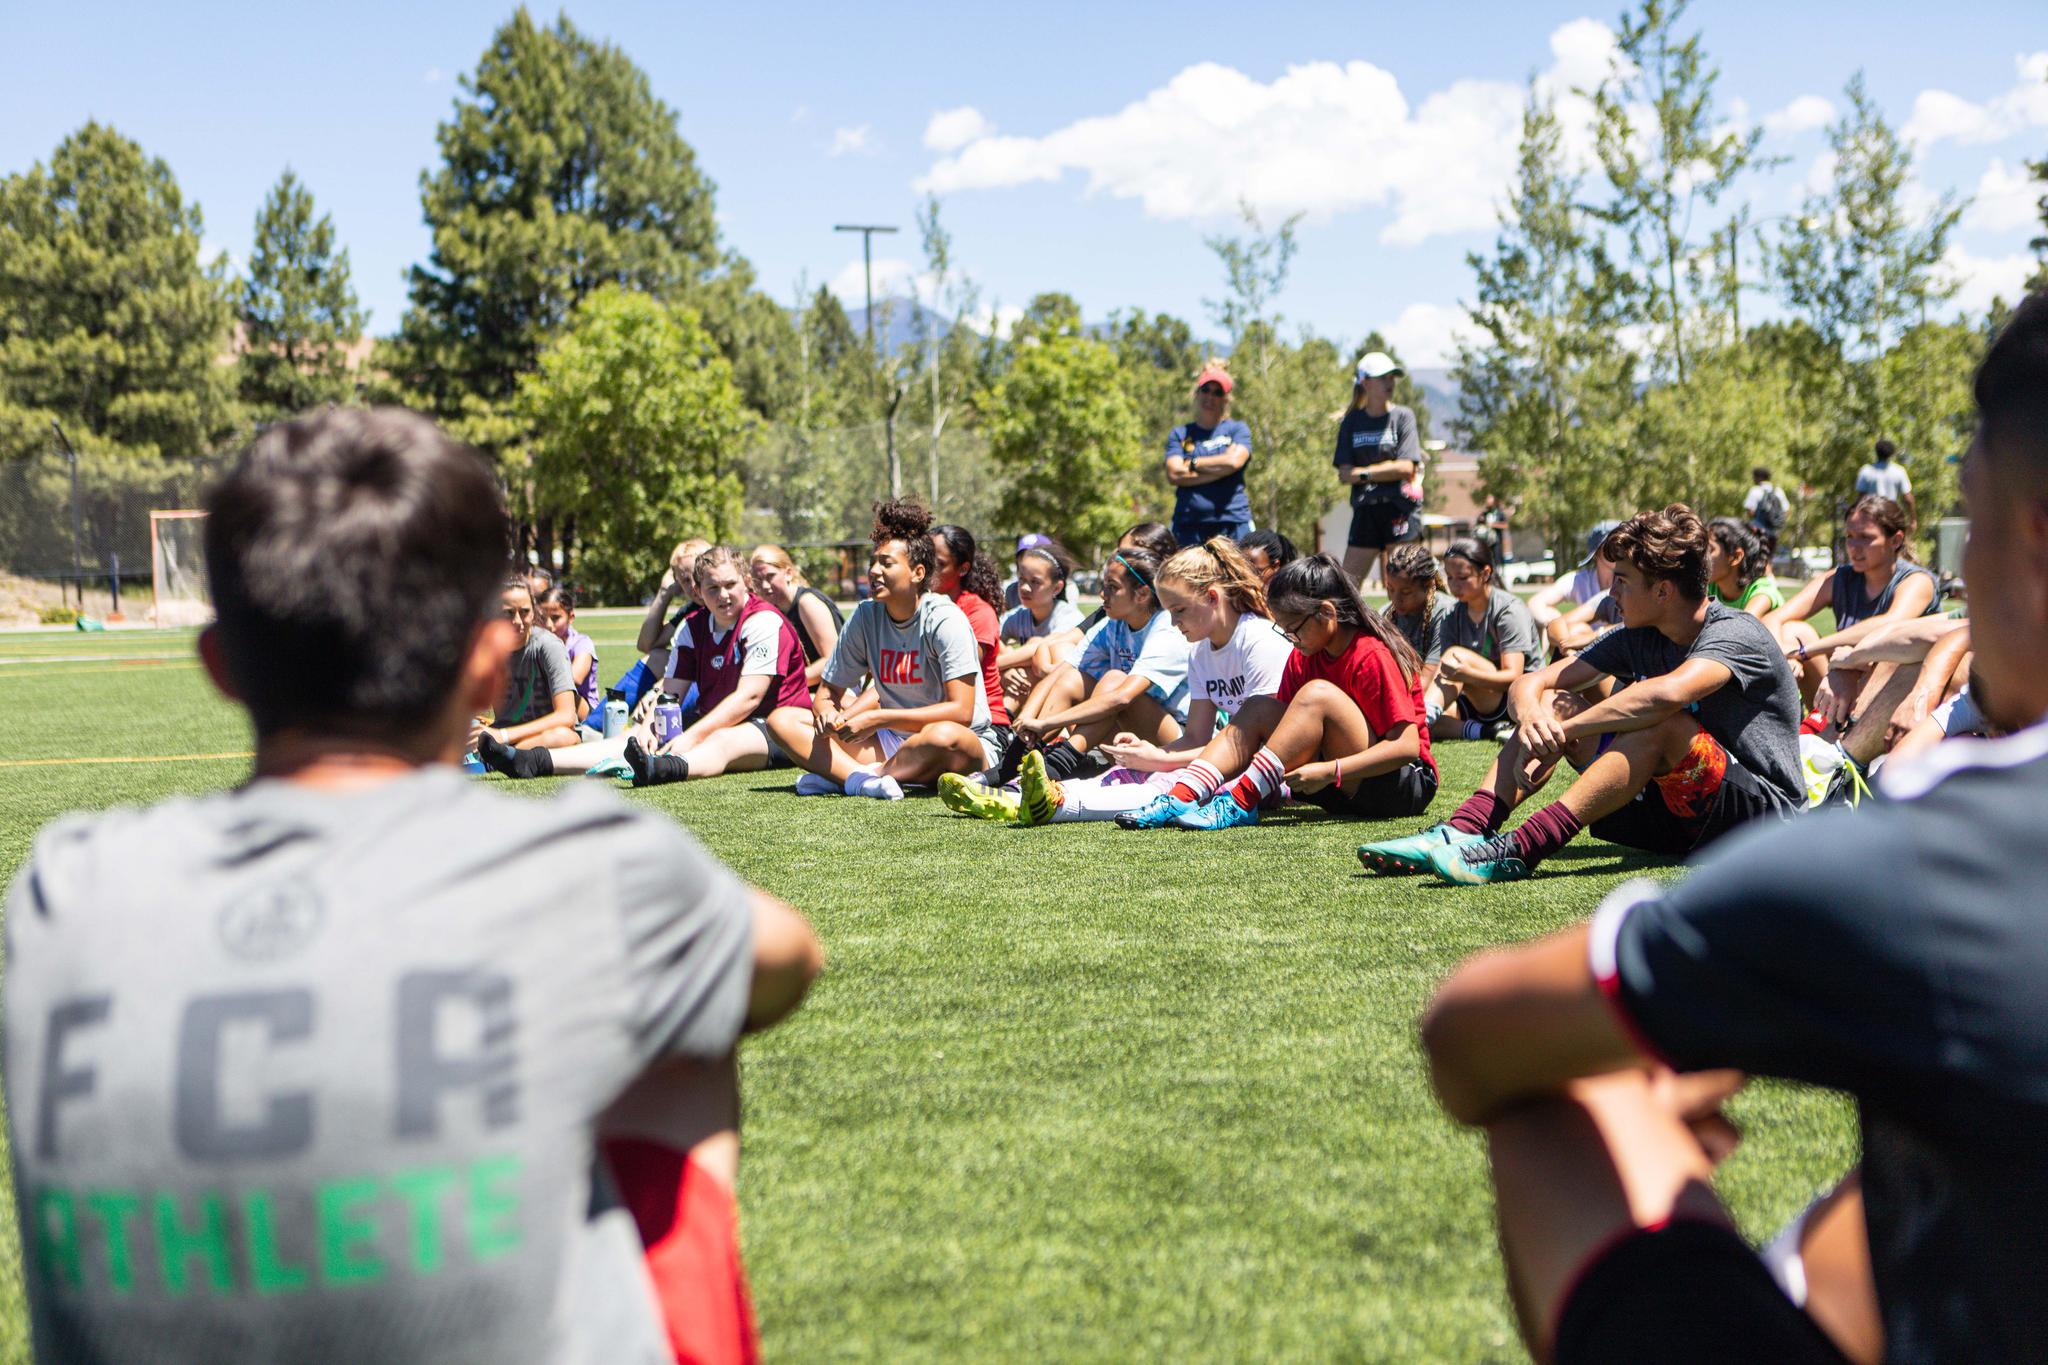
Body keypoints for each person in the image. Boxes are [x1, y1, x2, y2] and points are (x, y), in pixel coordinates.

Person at [2, 408, 824, 1363]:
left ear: (221, 669)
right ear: (487, 672)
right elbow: (787, 958)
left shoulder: (63, 893)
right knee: (683, 1039)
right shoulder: (594, 870)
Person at [1414, 291, 2048, 1365]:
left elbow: (1464, 1036)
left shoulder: (1929, 843)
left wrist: (1564, 707)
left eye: (1969, 523)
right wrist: (1538, 700)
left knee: (1561, 1101)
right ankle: (1477, 824)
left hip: (1753, 816)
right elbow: (1569, 673)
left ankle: (1504, 850)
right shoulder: (1631, 633)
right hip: (1685, 824)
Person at [1359, 504, 1804, 887]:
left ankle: (1521, 848)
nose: (1611, 593)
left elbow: (1665, 695)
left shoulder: (1736, 633)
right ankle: (1464, 829)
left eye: (1623, 580)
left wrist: (1565, 731)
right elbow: (1531, 682)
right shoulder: (1640, 634)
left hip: (1761, 825)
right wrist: (1537, 721)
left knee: (1659, 722)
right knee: (1556, 702)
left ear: (1664, 590)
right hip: (1676, 821)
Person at [943, 537, 1289, 826]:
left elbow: (1253, 747)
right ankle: (1025, 793)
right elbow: (1198, 738)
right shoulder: (1200, 650)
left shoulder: (1258, 641)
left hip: (1262, 776)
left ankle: (1052, 802)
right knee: (1136, 773)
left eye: (1179, 611)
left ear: (1212, 597)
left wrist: (1159, 758)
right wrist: (1152, 754)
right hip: (1212, 758)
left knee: (1162, 782)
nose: (1173, 621)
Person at [1138, 551, 1438, 829]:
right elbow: (1279, 731)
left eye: (1294, 628)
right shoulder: (1303, 654)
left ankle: (1238, 802)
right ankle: (1180, 796)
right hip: (1338, 787)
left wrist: (1330, 770)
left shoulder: (1370, 653)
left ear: (1327, 614)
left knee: (1317, 694)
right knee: (1258, 707)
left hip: (1401, 786)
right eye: (1283, 629)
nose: (1290, 638)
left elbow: (1406, 747)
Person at [479, 547, 812, 788]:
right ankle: (532, 761)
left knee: (722, 740)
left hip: (778, 729)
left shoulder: (764, 621)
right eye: (713, 588)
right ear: (697, 591)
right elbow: (670, 696)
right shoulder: (693, 628)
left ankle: (663, 769)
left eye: (730, 585)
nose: (723, 595)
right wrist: (649, 728)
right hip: (723, 724)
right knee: (633, 738)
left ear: (746, 584)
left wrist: (691, 735)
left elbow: (749, 699)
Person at [770, 497, 1000, 800]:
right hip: (892, 743)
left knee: (943, 736)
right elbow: (828, 693)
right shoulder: (866, 616)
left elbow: (961, 712)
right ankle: (863, 780)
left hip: (962, 744)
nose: (874, 571)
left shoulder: (945, 618)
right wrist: (826, 714)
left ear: (918, 573)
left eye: (887, 563)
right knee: (782, 720)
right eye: (872, 563)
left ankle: (856, 776)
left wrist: (879, 719)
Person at [1004, 544, 1192, 784]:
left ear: (1142, 594)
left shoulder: (1166, 629)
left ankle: (1058, 764)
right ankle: (1015, 762)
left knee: (1114, 681)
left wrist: (1046, 723)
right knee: (1072, 679)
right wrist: (1027, 721)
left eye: (1112, 587)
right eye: (1104, 586)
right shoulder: (1113, 623)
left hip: (1176, 743)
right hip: (1128, 738)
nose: (1103, 594)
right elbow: (1061, 674)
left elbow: (1122, 698)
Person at [1766, 495, 1939, 719]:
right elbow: (1774, 618)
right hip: (1845, 679)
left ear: (1895, 540)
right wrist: (1786, 655)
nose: (1854, 547)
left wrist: (1807, 651)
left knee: (1883, 660)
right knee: (1793, 631)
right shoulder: (1840, 578)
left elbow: (1888, 626)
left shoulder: (1917, 581)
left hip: (1896, 690)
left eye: (1866, 538)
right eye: (1850, 537)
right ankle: (1816, 723)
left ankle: (1831, 730)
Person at [1435, 536, 1544, 741]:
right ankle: (1488, 731)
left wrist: (1466, 675)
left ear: (1485, 573)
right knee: (1434, 721)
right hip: (1474, 698)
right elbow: (1445, 673)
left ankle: (1425, 717)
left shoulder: (1508, 609)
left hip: (1514, 700)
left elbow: (1513, 677)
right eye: (1449, 578)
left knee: (1455, 655)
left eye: (1462, 577)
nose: (1454, 586)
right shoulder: (1452, 614)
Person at [1335, 351, 1425, 587]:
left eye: (1392, 377)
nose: (1390, 383)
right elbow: (1345, 474)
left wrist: (1363, 473)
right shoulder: (1351, 422)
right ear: (1365, 382)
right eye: (1383, 377)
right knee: (1346, 590)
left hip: (1400, 509)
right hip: (1366, 510)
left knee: (1406, 585)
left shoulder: (1403, 416)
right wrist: (1387, 469)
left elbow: (1406, 467)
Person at [473, 576, 582, 755]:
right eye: (508, 613)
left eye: (524, 612)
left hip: (541, 736)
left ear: (534, 612)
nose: (517, 621)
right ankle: (499, 753)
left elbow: (567, 716)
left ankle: (502, 754)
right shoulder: (489, 647)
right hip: (501, 736)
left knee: (563, 736)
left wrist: (504, 736)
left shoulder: (549, 646)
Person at [932, 524, 1016, 742]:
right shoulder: (919, 607)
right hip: (933, 716)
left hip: (985, 725)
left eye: (939, 564)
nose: (928, 568)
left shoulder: (978, 612)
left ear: (962, 569)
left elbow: (957, 670)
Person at [1165, 366, 1254, 546]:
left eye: (1217, 392)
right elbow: (1174, 473)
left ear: (1226, 399)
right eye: (1205, 390)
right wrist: (1223, 470)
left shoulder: (1237, 430)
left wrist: (1192, 463)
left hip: (1232, 522)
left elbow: (1234, 461)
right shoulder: (1181, 434)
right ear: (1197, 393)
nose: (1210, 397)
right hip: (1188, 525)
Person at [995, 536, 1085, 709]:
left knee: (1036, 645)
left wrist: (996, 666)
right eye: (1022, 579)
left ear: (1057, 588)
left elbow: (1039, 648)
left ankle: (1005, 721)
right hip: (1029, 688)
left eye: (1035, 582)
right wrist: (1007, 672)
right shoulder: (1017, 616)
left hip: (1065, 696)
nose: (1024, 588)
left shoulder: (1069, 617)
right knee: (999, 646)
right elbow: (990, 639)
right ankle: (1006, 724)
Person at [748, 543, 843, 689]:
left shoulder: (807, 603)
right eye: (757, 580)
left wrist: (785, 685)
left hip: (836, 690)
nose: (765, 586)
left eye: (770, 576)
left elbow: (832, 660)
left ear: (788, 573)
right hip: (805, 689)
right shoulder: (771, 609)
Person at [634, 536, 712, 703]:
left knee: (662, 701)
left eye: (697, 574)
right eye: (685, 580)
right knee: (656, 657)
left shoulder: (727, 605)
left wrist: (658, 689)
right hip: (694, 680)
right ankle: (593, 724)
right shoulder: (691, 610)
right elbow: (647, 645)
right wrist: (664, 593)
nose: (693, 585)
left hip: (718, 683)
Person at [1383, 542, 1453, 728]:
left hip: (1438, 696)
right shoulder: (1386, 614)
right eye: (1390, 589)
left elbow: (1428, 680)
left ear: (1428, 584)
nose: (1396, 599)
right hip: (1402, 696)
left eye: (1406, 592)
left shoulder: (1446, 613)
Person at [1528, 522, 1621, 629]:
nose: (1618, 551)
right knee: (1553, 622)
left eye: (1622, 545)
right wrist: (1550, 622)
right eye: (1611, 546)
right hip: (1584, 641)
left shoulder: (1630, 580)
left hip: (1620, 641)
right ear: (1596, 552)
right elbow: (1535, 602)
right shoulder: (1580, 580)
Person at [536, 583, 600, 726]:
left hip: (585, 713)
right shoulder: (536, 642)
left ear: (571, 617)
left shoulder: (581, 643)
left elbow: (575, 678)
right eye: (542, 618)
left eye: (555, 618)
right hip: (550, 707)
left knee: (566, 692)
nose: (548, 625)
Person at [1706, 516, 1785, 619]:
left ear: (1735, 557)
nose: (1701, 555)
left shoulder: (1762, 594)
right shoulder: (1711, 588)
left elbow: (1740, 630)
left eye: (1710, 550)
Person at [1854, 437, 1915, 525]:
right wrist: (1913, 519)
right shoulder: (1899, 471)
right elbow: (1908, 499)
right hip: (1891, 515)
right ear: (1892, 453)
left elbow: (1861, 498)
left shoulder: (1866, 470)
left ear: (1876, 452)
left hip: (1872, 515)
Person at [1744, 465, 1788, 560]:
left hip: (1758, 532)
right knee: (1769, 559)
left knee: (1756, 559)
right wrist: (1774, 523)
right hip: (1773, 533)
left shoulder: (1755, 491)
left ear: (1759, 477)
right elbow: (1785, 511)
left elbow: (1750, 511)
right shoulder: (1778, 491)